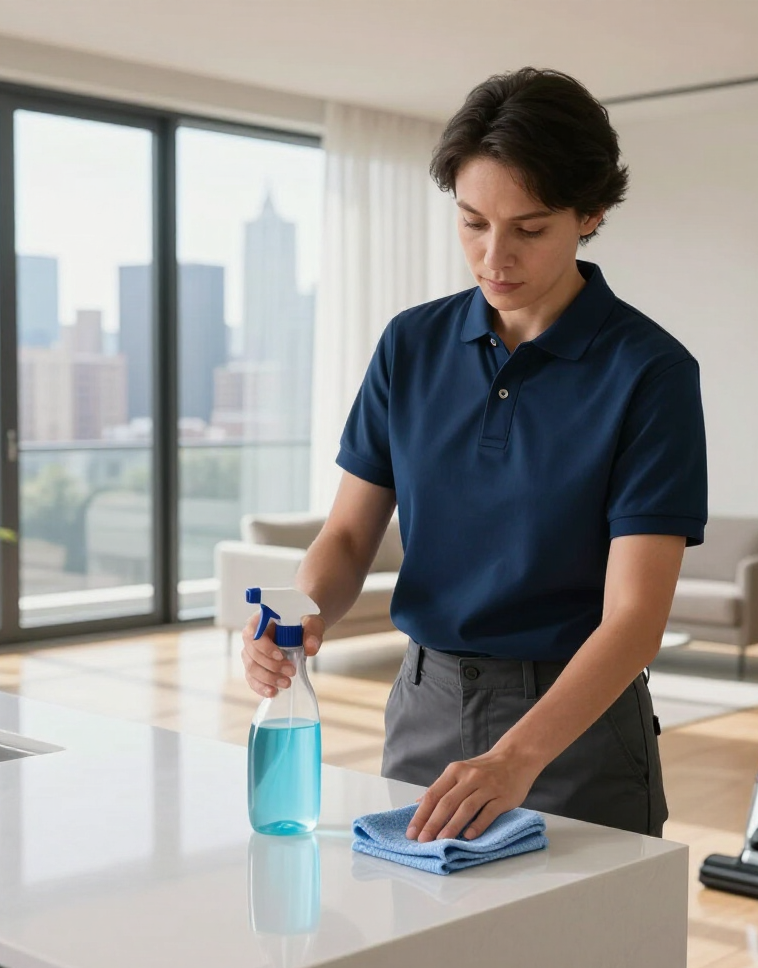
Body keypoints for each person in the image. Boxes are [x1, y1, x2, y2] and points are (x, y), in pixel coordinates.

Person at [243, 67, 707, 843]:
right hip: (424, 707)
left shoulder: (650, 372)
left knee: (574, 962)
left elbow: (635, 618)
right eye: (471, 222)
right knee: (420, 956)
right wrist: (294, 614)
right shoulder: (411, 344)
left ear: (589, 214)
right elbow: (351, 535)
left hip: (575, 730)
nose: (495, 257)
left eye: (529, 229)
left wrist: (517, 756)